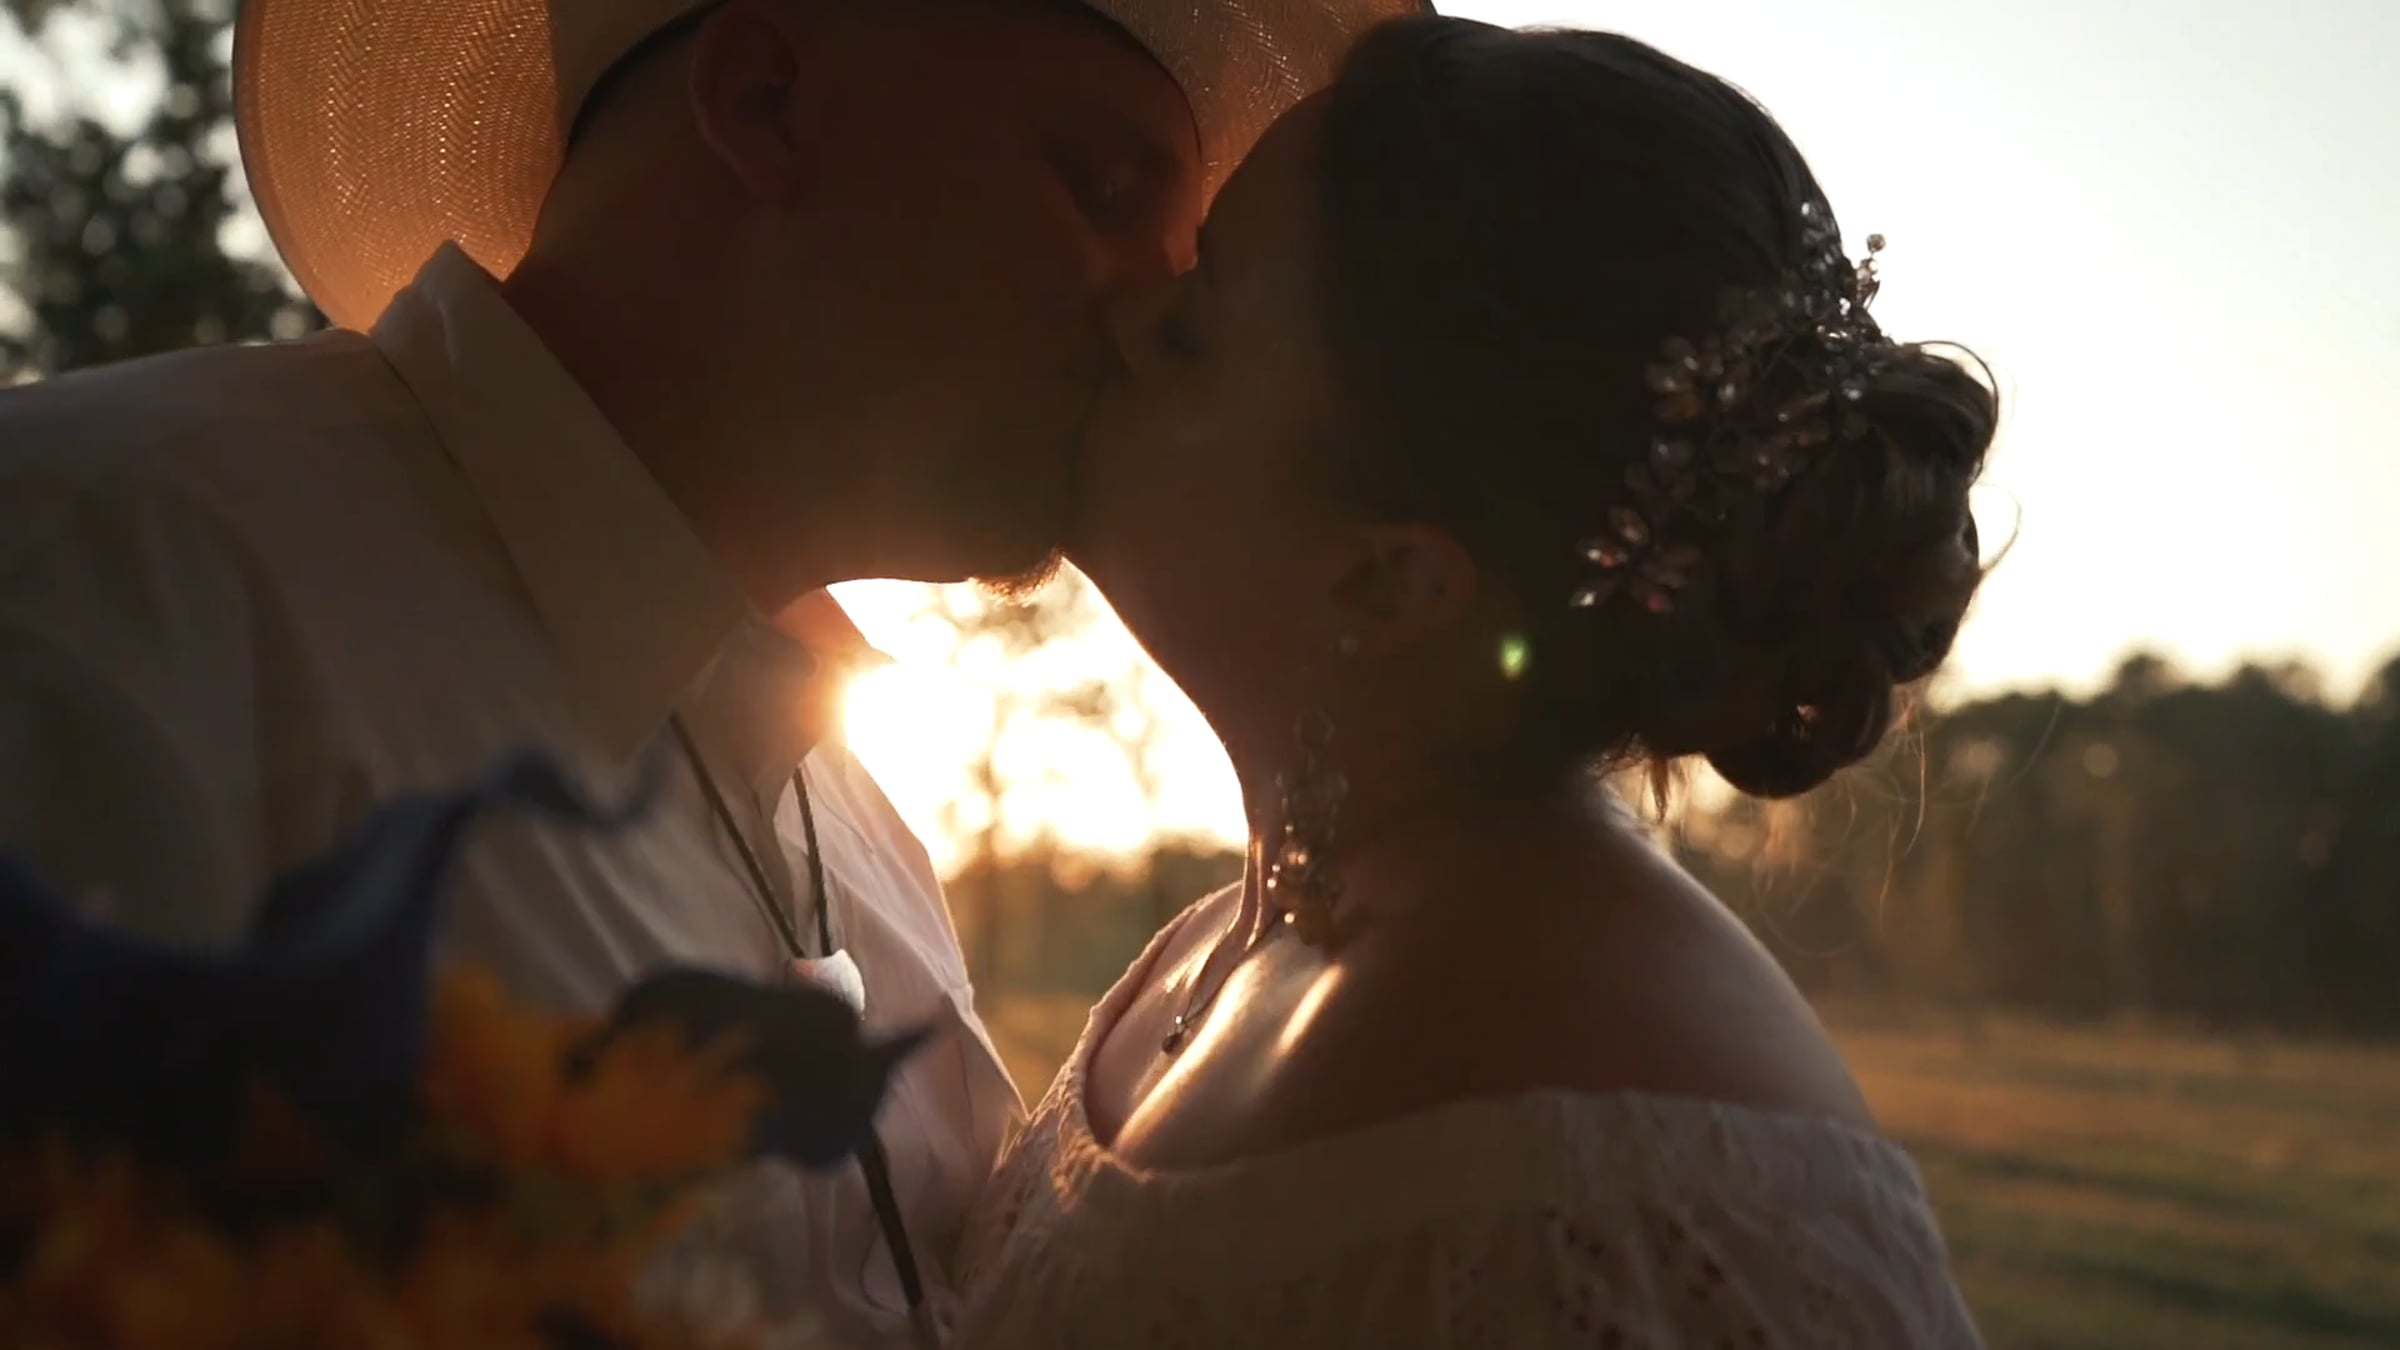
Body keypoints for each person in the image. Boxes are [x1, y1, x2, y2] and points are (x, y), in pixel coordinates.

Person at [0, 0, 1411, 1344]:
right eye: (1100, 188)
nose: (1157, 316)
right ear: (766, 102)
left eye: (1185, 252)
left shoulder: (859, 828)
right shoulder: (106, 588)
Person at [950, 16, 1993, 1347]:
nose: (1127, 307)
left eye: (1196, 326)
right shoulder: (1260, 922)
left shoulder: (1610, 1165)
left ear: (1388, 583)